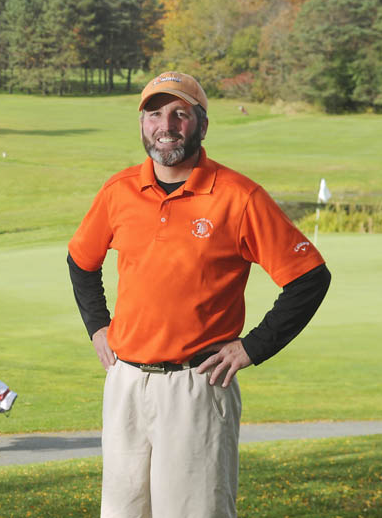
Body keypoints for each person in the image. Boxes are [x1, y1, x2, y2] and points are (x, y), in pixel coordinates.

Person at [67, 71, 331, 517]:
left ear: (202, 125)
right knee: (122, 511)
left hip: (196, 388)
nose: (164, 125)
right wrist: (97, 325)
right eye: (154, 113)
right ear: (142, 123)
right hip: (126, 384)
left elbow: (308, 278)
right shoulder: (119, 191)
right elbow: (81, 261)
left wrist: (253, 347)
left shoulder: (238, 197)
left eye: (179, 114)